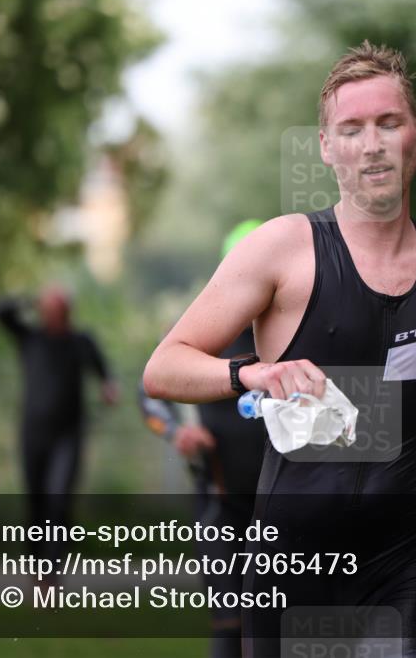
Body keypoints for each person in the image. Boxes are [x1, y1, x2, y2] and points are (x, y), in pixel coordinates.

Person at [143, 41, 416, 657]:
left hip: (410, 555)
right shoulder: (281, 249)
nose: (371, 144)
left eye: (388, 123)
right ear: (327, 148)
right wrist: (254, 375)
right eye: (352, 128)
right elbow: (164, 367)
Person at [142, 221, 270, 658]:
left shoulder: (293, 332)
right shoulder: (206, 332)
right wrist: (178, 432)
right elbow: (151, 397)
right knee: (231, 624)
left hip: (286, 502)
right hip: (222, 503)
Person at [0, 285, 118, 569]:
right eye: (47, 309)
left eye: (57, 309)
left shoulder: (80, 341)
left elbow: (103, 370)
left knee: (59, 499)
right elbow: (0, 312)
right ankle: (36, 567)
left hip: (69, 434)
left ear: (67, 312)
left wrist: (108, 386)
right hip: (33, 434)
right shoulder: (30, 338)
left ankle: (52, 570)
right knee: (36, 501)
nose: (52, 315)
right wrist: (30, 297)